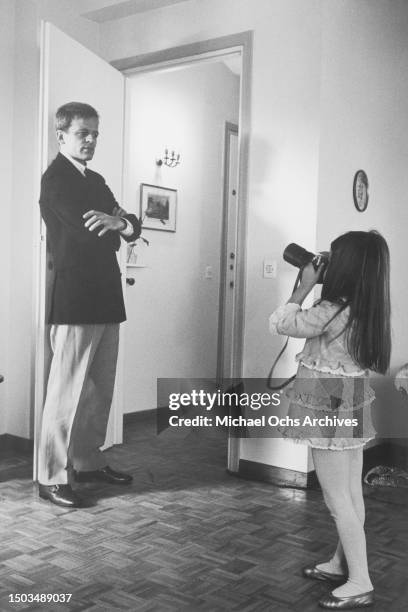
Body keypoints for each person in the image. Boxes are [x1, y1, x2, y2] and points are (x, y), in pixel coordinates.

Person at [269, 230, 391, 610]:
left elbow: (283, 323)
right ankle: (343, 563)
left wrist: (301, 287)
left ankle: (359, 581)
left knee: (338, 499)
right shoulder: (366, 306)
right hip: (351, 400)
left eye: (333, 258)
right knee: (351, 493)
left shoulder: (331, 308)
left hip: (326, 404)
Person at [38, 102, 141, 508]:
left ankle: (88, 460)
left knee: (99, 390)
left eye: (95, 133)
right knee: (66, 393)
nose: (91, 140)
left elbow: (126, 223)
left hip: (107, 298)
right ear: (61, 135)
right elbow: (87, 234)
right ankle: (51, 476)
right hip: (76, 298)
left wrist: (121, 224)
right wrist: (117, 229)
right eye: (83, 133)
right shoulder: (55, 179)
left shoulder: (95, 179)